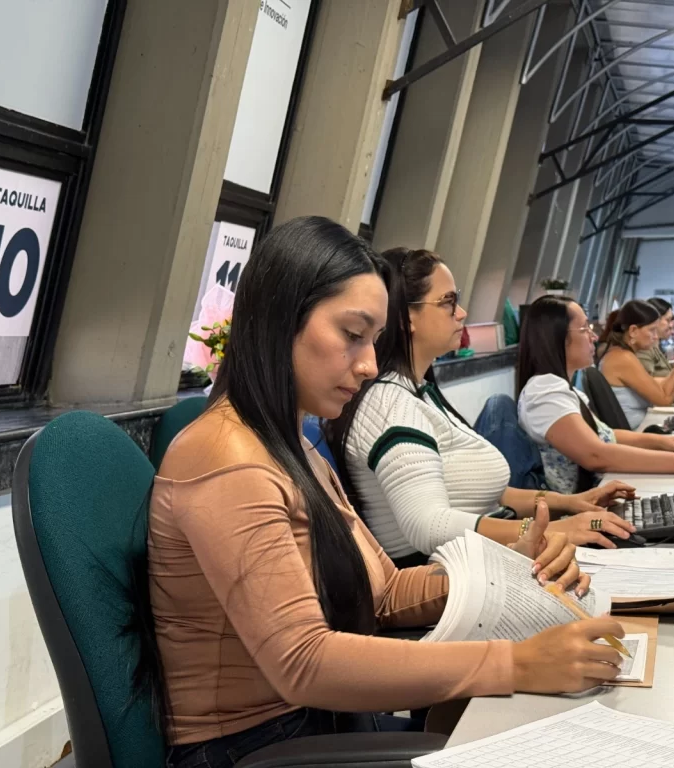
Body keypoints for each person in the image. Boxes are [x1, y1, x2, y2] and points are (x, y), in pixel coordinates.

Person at [146, 217, 626, 767]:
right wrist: (517, 663)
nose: (370, 364)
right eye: (352, 335)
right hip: (256, 747)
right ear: (279, 320)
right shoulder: (228, 458)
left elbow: (386, 593)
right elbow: (303, 662)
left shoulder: (289, 443)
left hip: (315, 726)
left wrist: (511, 567)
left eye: (374, 341)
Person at [326, 247, 637, 566]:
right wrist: (551, 530)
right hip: (452, 575)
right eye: (448, 301)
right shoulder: (391, 405)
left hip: (486, 558)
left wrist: (572, 503)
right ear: (407, 319)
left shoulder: (420, 394)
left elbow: (493, 496)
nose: (461, 313)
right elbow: (429, 526)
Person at [517, 295, 674, 494]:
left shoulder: (561, 388)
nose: (594, 336)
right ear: (556, 338)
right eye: (584, 329)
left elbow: (605, 435)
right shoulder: (545, 392)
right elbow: (596, 455)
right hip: (577, 511)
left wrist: (665, 442)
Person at [597, 299, 674, 430]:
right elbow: (665, 400)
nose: (656, 337)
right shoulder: (623, 358)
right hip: (637, 432)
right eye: (652, 330)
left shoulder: (620, 354)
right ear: (633, 331)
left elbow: (659, 387)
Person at [637, 298, 674, 377]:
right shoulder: (644, 349)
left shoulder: (656, 347)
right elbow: (648, 381)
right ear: (655, 320)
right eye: (668, 320)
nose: (671, 325)